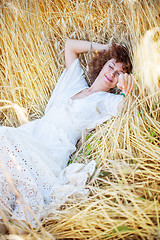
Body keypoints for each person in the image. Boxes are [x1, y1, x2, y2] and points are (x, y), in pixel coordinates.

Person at [0, 39, 134, 233]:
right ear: (103, 63)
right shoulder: (75, 82)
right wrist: (107, 49)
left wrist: (125, 91)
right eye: (110, 66)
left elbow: (126, 107)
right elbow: (70, 46)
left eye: (118, 74)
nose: (111, 74)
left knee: (23, 184)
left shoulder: (106, 101)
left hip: (52, 151)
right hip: (30, 134)